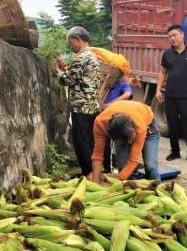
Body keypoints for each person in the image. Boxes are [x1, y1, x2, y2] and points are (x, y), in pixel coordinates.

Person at [54, 26, 101, 178]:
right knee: (90, 140)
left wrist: (59, 71)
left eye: (71, 42)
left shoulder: (81, 57)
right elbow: (80, 78)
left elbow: (68, 79)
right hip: (91, 105)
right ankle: (94, 173)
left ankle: (88, 174)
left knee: (81, 142)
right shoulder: (93, 57)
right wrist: (67, 68)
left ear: (77, 39)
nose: (71, 45)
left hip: (81, 106)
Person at [156, 24, 187, 162]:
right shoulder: (167, 54)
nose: (172, 38)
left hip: (186, 95)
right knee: (172, 124)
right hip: (170, 95)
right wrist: (158, 90)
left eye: (174, 35)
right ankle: (175, 151)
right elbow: (162, 72)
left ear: (182, 35)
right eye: (169, 37)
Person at [91, 101, 161, 183]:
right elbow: (98, 155)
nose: (131, 142)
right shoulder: (100, 123)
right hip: (124, 128)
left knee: (151, 167)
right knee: (124, 167)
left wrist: (115, 183)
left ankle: (158, 189)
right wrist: (95, 182)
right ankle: (129, 190)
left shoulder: (139, 127)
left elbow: (133, 161)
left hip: (148, 126)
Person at [101, 77, 133, 173]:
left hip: (112, 117)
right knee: (99, 142)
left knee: (108, 143)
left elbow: (128, 94)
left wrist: (112, 103)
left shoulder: (120, 82)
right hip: (99, 115)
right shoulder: (99, 79)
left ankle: (108, 168)